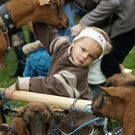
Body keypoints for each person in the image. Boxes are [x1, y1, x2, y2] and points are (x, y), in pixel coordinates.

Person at [5, 23, 112, 135]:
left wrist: (23, 83)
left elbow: (52, 85)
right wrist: (37, 20)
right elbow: (49, 36)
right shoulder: (63, 47)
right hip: (60, 117)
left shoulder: (76, 74)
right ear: (74, 42)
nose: (85, 56)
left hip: (76, 127)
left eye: (91, 56)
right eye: (83, 49)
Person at [71, 0, 135, 134]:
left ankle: (129, 101)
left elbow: (111, 2)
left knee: (109, 63)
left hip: (127, 18)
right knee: (109, 64)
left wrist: (83, 23)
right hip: (113, 19)